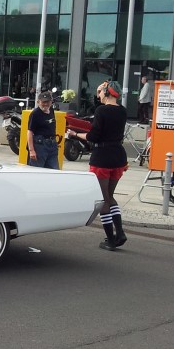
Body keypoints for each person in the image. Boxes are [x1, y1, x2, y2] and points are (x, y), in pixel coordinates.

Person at [67, 80, 128, 251]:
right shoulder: (123, 111)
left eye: (100, 91)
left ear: (107, 93)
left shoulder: (101, 111)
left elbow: (93, 136)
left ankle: (111, 239)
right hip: (118, 157)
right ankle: (120, 233)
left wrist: (75, 134)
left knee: (103, 200)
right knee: (110, 196)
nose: (98, 94)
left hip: (102, 157)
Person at [27, 91, 60, 169]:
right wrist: (31, 150)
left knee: (54, 170)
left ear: (51, 102)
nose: (45, 104)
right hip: (40, 145)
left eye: (47, 102)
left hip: (52, 144)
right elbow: (30, 132)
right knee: (37, 170)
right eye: (43, 102)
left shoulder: (51, 110)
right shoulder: (35, 114)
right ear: (38, 102)